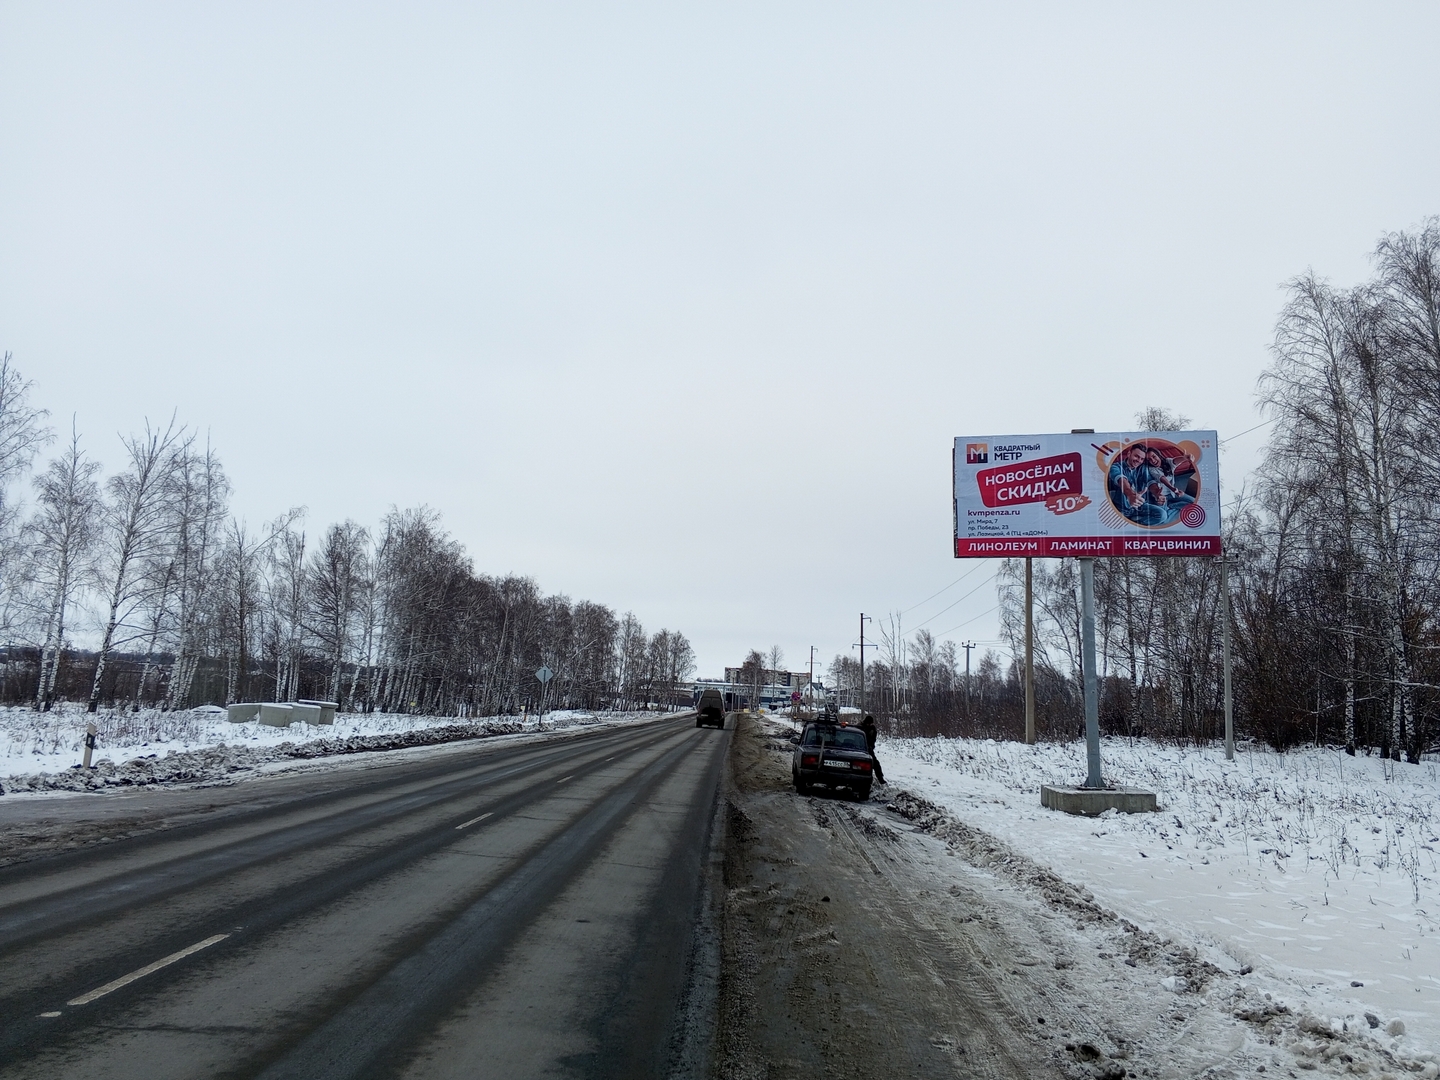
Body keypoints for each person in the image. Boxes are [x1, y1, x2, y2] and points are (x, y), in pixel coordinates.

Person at [1108, 444, 1168, 526]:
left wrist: (1157, 494)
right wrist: (1130, 495)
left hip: (1142, 505)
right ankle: (1132, 521)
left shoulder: (1142, 467)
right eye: (1136, 456)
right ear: (1129, 454)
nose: (1139, 461)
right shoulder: (1115, 467)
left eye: (1142, 459)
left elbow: (1150, 481)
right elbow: (1122, 481)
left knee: (1163, 514)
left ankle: (1137, 523)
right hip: (1124, 509)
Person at [860, 714, 885, 784]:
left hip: (869, 749)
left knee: (876, 764)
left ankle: (880, 779)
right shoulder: (860, 727)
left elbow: (873, 739)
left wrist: (871, 746)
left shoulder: (873, 729)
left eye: (871, 723)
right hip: (860, 748)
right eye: (869, 723)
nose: (870, 724)